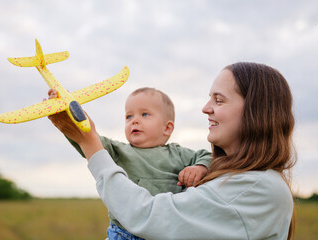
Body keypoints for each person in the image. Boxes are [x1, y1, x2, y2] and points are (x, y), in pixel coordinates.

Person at [48, 62, 296, 240]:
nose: (205, 108)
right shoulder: (237, 179)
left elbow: (150, 216)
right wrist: (80, 135)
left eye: (218, 100)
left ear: (257, 111)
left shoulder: (259, 188)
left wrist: (91, 144)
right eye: (209, 98)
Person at [48, 87, 211, 239]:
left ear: (167, 128)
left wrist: (199, 167)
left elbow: (209, 156)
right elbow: (86, 138)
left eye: (145, 114)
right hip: (123, 233)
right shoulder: (118, 150)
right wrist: (68, 112)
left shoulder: (180, 154)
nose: (134, 121)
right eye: (129, 116)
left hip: (165, 233)